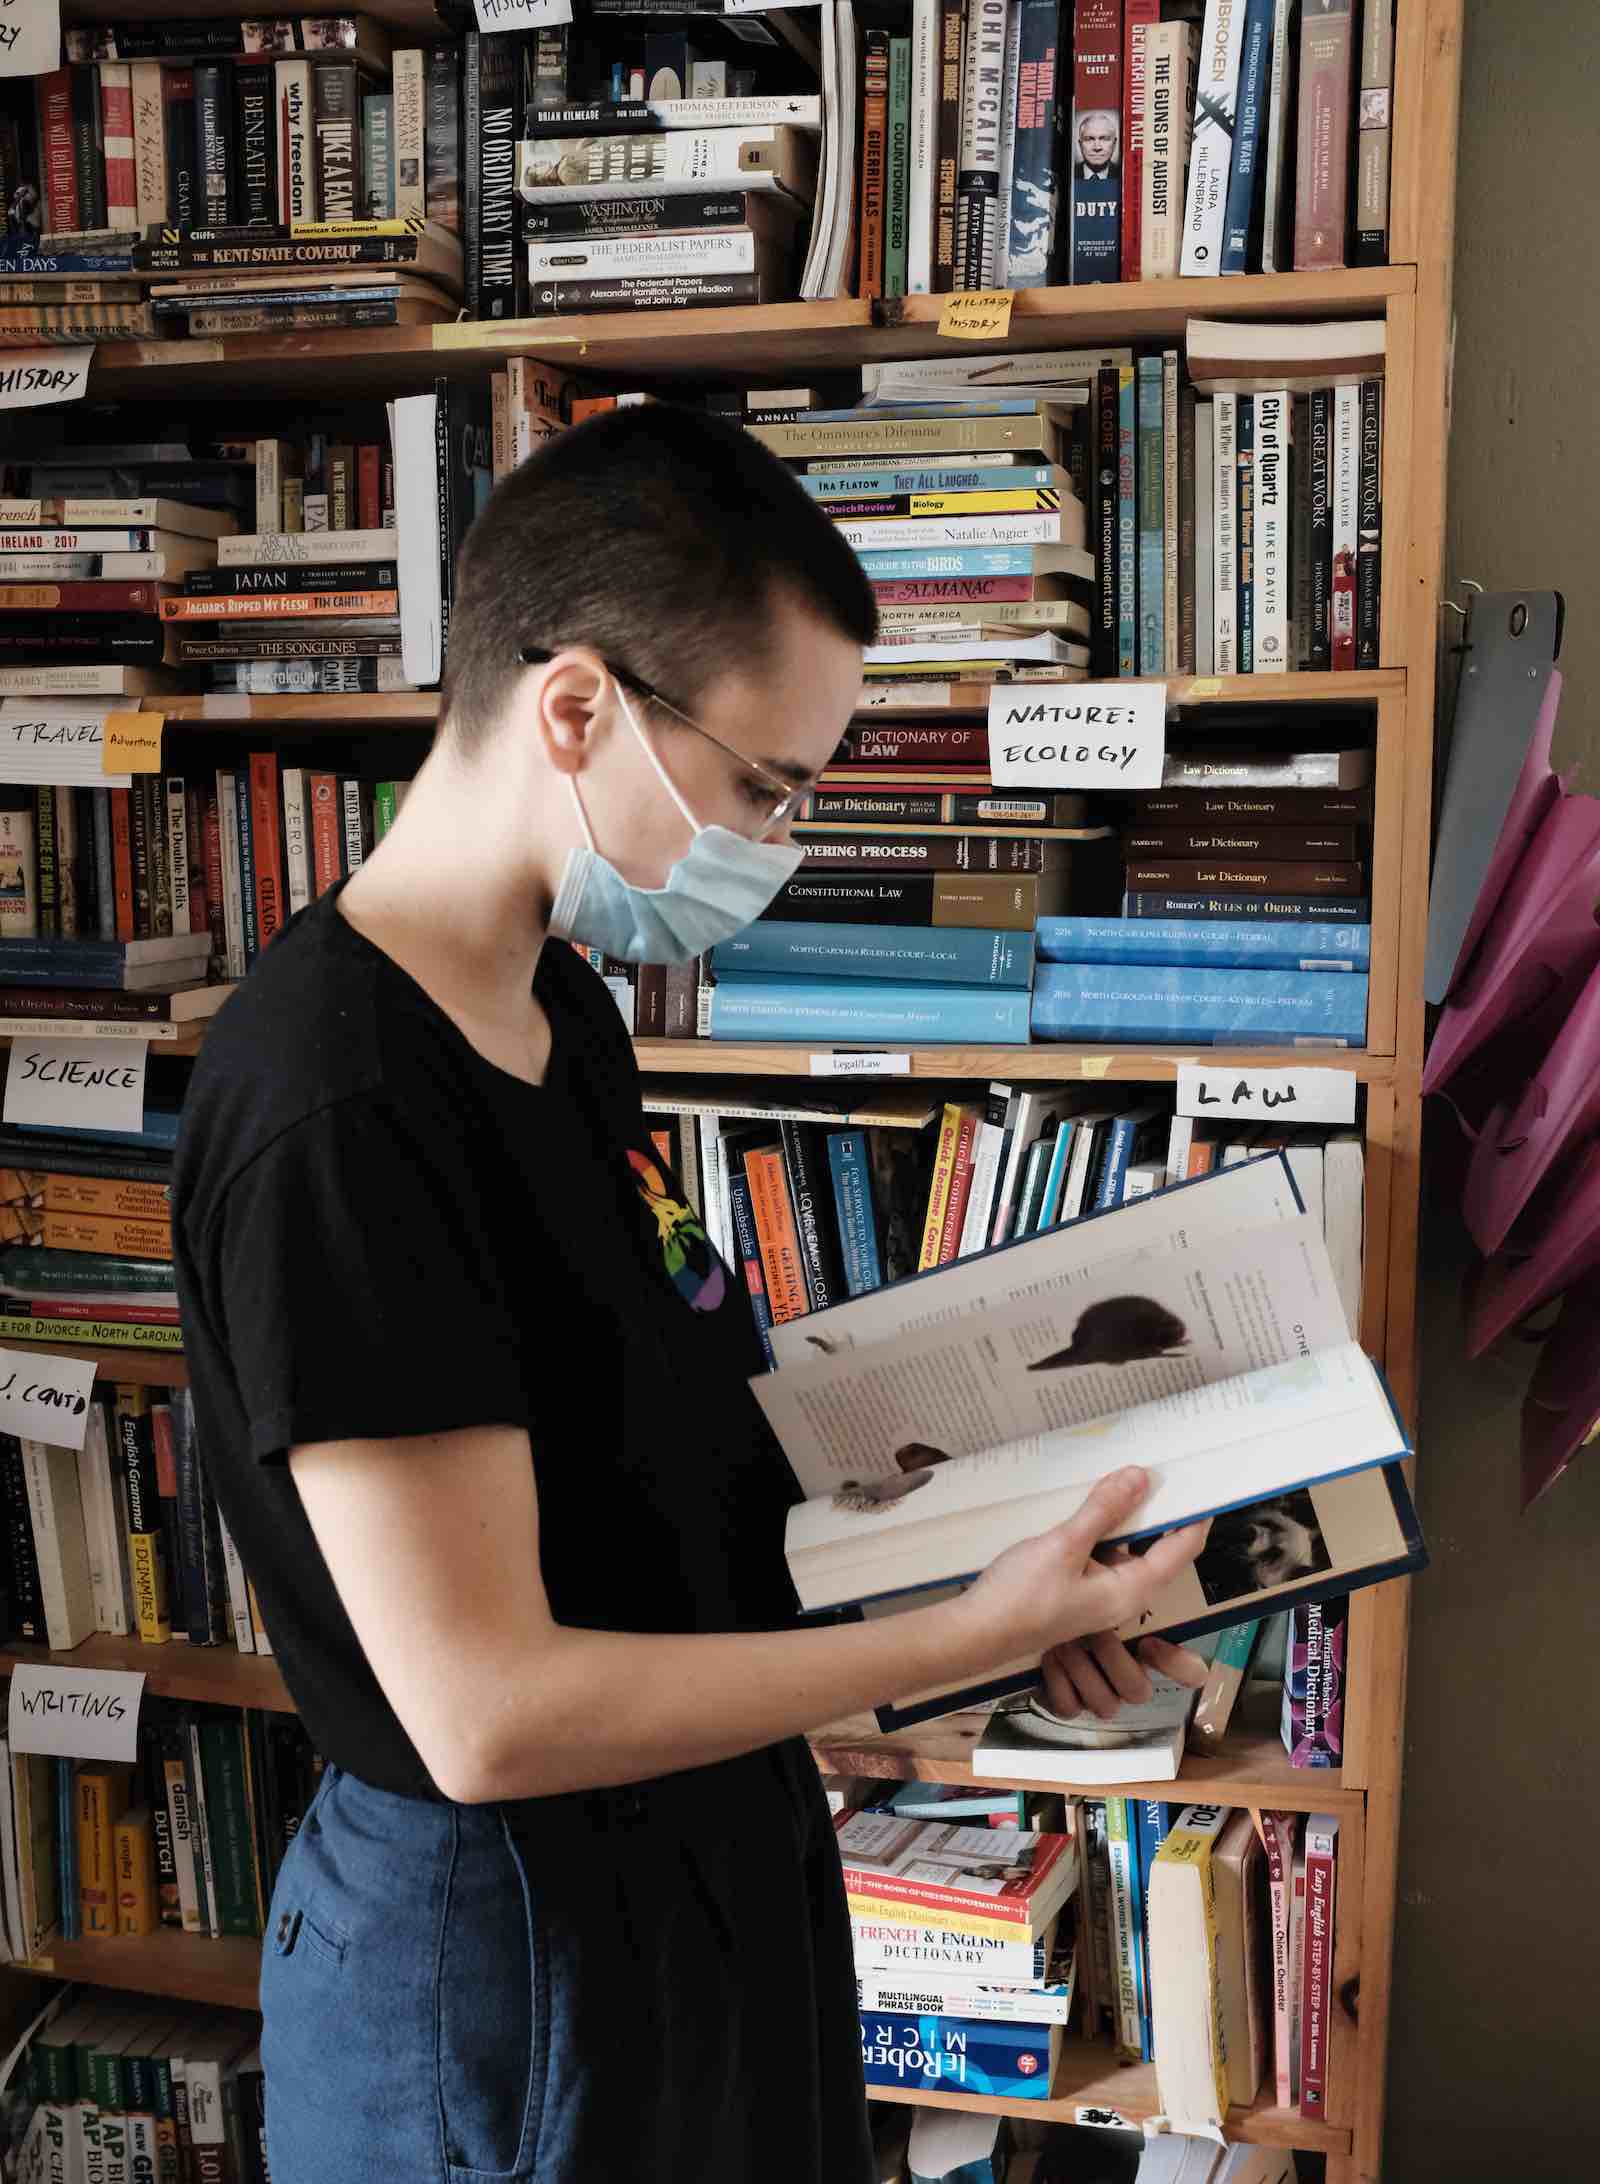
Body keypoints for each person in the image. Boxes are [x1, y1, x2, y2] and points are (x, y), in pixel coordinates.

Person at [172, 405, 1209, 2184]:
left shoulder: (558, 1009)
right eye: (763, 789)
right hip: (507, 1959)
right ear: (575, 708)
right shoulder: (337, 1104)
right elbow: (487, 1713)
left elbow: (648, 1417)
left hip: (694, 1873)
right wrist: (958, 1646)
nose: (780, 843)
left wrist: (1002, 1535)